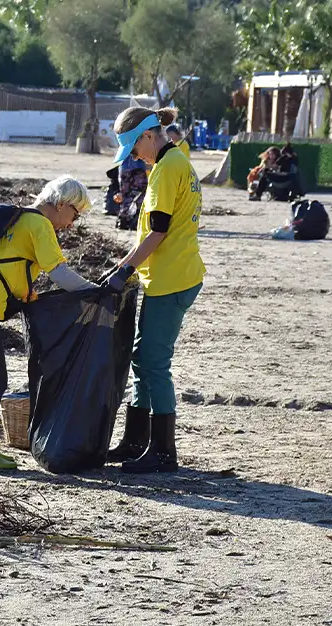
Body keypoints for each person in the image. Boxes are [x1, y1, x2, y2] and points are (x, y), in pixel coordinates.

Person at [0, 176, 98, 470]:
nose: (72, 224)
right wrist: (95, 292)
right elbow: (60, 274)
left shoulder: (17, 218)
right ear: (62, 204)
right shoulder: (39, 224)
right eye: (75, 215)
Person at [105, 106, 206, 474]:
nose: (133, 155)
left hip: (172, 278)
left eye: (133, 147)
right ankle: (135, 442)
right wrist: (127, 265)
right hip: (166, 275)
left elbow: (158, 232)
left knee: (154, 364)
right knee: (140, 358)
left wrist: (127, 266)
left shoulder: (167, 170)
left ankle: (163, 453)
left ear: (150, 135)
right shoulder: (174, 162)